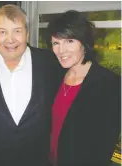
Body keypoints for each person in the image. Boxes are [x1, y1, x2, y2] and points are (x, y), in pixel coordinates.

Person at [0, 4, 63, 166]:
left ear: (27, 33)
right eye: (2, 32)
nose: (10, 40)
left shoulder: (50, 63)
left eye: (17, 31)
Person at [46, 10, 121, 166]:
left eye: (70, 41)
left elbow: (104, 148)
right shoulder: (53, 76)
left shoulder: (109, 84)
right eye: (56, 43)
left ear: (84, 43)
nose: (61, 50)